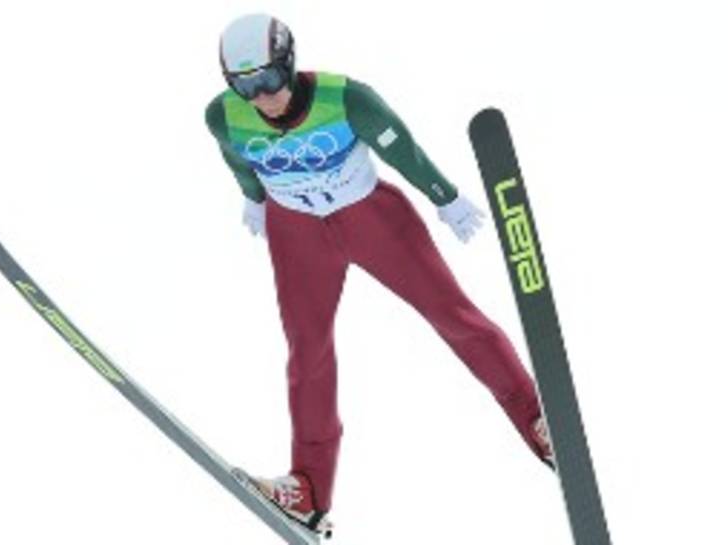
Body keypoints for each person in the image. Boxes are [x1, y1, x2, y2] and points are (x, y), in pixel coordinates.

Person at [205, 13, 552, 536]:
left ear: (288, 63)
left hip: (371, 219)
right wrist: (253, 199)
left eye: (269, 79)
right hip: (296, 232)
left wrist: (445, 197)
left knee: (452, 315)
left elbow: (402, 148)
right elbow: (237, 159)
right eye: (244, 85)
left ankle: (539, 422)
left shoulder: (348, 99)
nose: (261, 97)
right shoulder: (223, 115)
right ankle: (309, 490)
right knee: (307, 352)